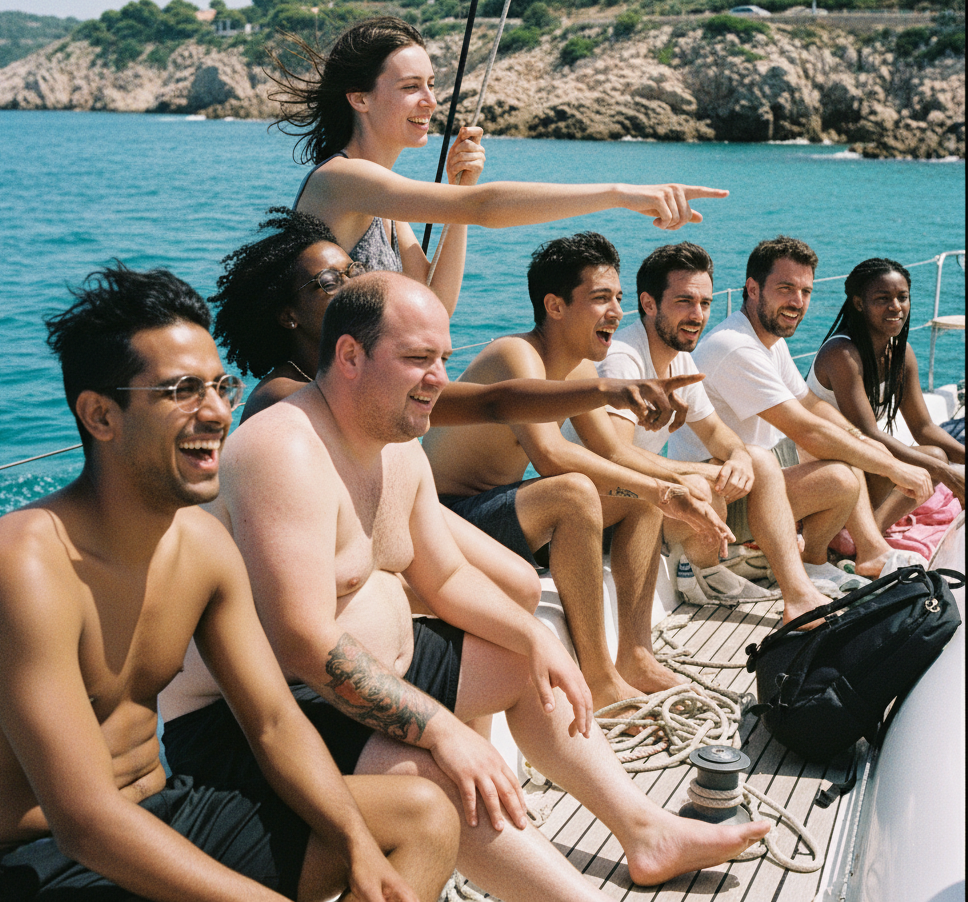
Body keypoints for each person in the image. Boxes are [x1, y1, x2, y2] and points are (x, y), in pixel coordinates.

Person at [161, 272, 770, 902]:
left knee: (521, 661)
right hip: (254, 715)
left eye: (444, 359)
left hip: (370, 671)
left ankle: (646, 833)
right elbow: (301, 641)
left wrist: (534, 640)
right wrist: (441, 730)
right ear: (349, 356)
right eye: (417, 359)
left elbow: (445, 577)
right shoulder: (284, 450)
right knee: (446, 777)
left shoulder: (396, 441)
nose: (438, 379)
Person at [0, 264, 457, 902]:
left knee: (423, 818)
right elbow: (84, 822)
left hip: (166, 808)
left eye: (221, 386)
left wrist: (354, 841)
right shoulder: (22, 570)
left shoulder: (201, 546)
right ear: (101, 416)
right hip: (29, 865)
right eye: (183, 390)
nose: (217, 411)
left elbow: (273, 722)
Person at [210, 209, 707, 619]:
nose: (350, 285)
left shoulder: (358, 377)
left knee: (522, 588)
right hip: (336, 573)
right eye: (327, 281)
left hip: (407, 523)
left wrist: (609, 390)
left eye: (353, 271)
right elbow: (499, 407)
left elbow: (494, 403)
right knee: (519, 567)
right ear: (288, 314)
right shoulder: (281, 400)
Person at [423, 232, 736, 709]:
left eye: (616, 298)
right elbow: (551, 456)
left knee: (640, 500)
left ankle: (635, 654)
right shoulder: (516, 355)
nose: (615, 311)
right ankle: (600, 678)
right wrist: (658, 487)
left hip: (496, 512)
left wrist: (669, 487)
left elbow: (614, 451)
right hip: (444, 521)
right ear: (555, 305)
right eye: (599, 299)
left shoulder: (579, 370)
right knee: (573, 493)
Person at [273, 15, 731, 315]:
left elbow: (434, 306)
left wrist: (459, 192)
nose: (431, 101)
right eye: (411, 86)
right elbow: (487, 207)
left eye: (432, 84)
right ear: (359, 98)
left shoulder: (386, 201)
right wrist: (619, 194)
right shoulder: (343, 178)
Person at [577, 241, 832, 620]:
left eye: (705, 304)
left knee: (759, 459)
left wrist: (740, 457)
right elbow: (616, 453)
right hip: (604, 507)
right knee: (698, 486)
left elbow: (716, 433)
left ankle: (797, 594)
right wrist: (709, 471)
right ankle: (700, 573)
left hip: (640, 496)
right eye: (684, 302)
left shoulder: (679, 357)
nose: (698, 315)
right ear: (649, 304)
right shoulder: (623, 359)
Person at [669, 236, 933, 581]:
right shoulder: (733, 347)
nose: (798, 302)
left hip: (754, 475)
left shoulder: (767, 341)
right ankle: (852, 553)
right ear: (752, 289)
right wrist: (894, 466)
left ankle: (839, 556)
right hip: (719, 495)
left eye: (805, 292)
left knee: (843, 447)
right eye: (785, 288)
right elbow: (804, 428)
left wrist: (865, 443)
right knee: (840, 473)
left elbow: (810, 404)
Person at [807, 256, 964, 529]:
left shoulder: (900, 355)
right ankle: (866, 538)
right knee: (935, 461)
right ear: (859, 303)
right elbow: (868, 433)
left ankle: (868, 533)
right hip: (822, 469)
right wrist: (947, 473)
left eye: (902, 297)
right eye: (882, 298)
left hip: (858, 460)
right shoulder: (841, 354)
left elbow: (924, 427)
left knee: (935, 457)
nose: (896, 307)